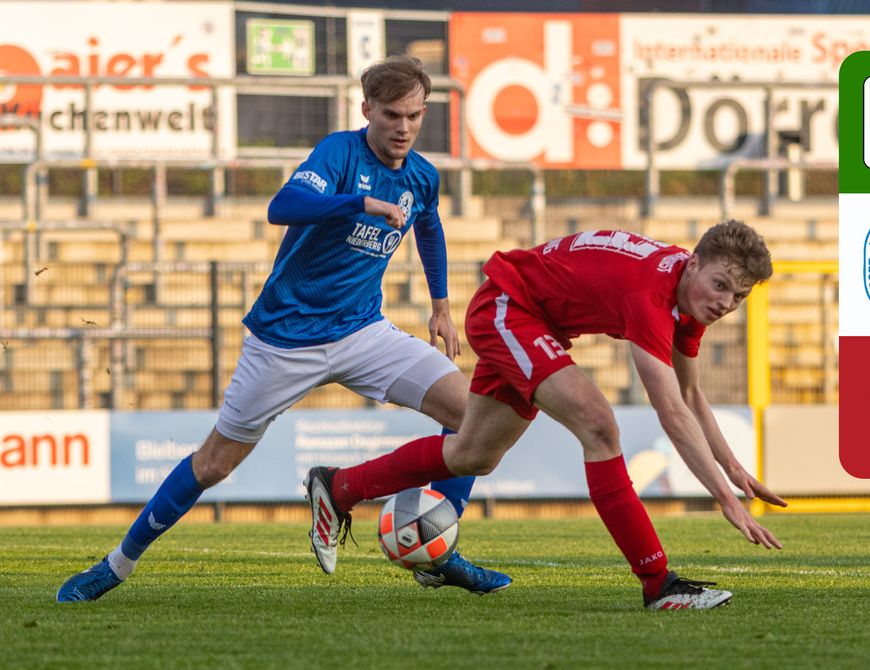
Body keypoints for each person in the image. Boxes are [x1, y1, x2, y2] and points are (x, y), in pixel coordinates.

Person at [56, 55, 510, 602]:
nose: (404, 127)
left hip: (363, 332)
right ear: (366, 110)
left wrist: (440, 303)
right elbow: (282, 206)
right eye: (392, 114)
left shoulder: (421, 174)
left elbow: (429, 222)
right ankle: (114, 566)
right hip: (284, 340)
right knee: (214, 464)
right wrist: (357, 203)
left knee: (472, 414)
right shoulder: (339, 153)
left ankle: (436, 549)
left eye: (415, 115)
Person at [305, 221, 789, 610]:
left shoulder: (687, 298)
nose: (725, 303)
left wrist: (735, 471)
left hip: (529, 317)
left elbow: (690, 393)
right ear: (694, 263)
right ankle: (659, 583)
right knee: (600, 427)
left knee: (472, 454)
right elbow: (671, 413)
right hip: (508, 308)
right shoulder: (652, 295)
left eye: (739, 297)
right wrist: (725, 501)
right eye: (721, 285)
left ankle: (339, 486)